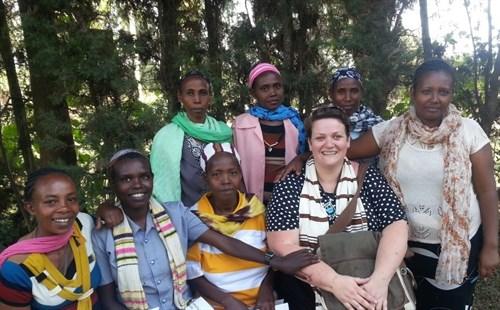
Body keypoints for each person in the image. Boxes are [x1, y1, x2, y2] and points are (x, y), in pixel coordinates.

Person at [347, 59, 499, 309]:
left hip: (458, 245)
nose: (435, 99)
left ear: (451, 94)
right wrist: (303, 157)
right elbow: (342, 151)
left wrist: (491, 246)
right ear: (413, 93)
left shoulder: (469, 132)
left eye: (443, 92)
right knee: (406, 301)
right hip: (402, 245)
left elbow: (486, 190)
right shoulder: (391, 131)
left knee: (450, 304)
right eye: (427, 91)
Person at [92, 149, 318, 310]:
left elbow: (224, 242)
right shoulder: (102, 233)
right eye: (126, 179)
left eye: (144, 177)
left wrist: (275, 262)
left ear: (153, 179)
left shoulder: (176, 214)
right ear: (114, 185)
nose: (137, 185)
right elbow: (109, 300)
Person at [266, 106, 408, 310]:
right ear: (310, 143)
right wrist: (334, 282)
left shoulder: (370, 178)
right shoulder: (290, 185)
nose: (329, 144)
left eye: (337, 136)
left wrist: (380, 280)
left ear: (348, 141)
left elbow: (396, 226)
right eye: (320, 138)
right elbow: (283, 245)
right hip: (308, 293)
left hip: (371, 289)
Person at [187, 143, 273, 310]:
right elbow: (192, 273)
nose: (225, 180)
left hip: (264, 303)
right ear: (205, 178)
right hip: (216, 304)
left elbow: (275, 259)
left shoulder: (257, 211)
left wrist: (267, 289)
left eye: (232, 173)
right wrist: (227, 301)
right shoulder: (194, 218)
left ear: (240, 175)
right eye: (216, 174)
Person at [0, 168, 102, 309]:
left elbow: (108, 220)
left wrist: (106, 208)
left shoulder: (83, 225)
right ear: (31, 208)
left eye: (71, 199)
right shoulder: (17, 269)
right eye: (51, 202)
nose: (64, 208)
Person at [151, 70, 233, 207]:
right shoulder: (165, 137)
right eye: (190, 93)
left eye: (203, 93)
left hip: (223, 214)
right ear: (180, 97)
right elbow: (159, 186)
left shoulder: (224, 132)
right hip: (183, 217)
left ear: (210, 96)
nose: (197, 100)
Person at [232, 62, 307, 205]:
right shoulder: (240, 125)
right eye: (264, 88)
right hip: (249, 202)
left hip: (289, 203)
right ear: (253, 93)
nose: (273, 93)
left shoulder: (295, 123)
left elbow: (307, 158)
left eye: (277, 86)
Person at [328, 68, 383, 141]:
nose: (348, 98)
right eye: (341, 92)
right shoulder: (319, 124)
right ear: (331, 94)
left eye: (354, 91)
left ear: (361, 93)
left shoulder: (378, 126)